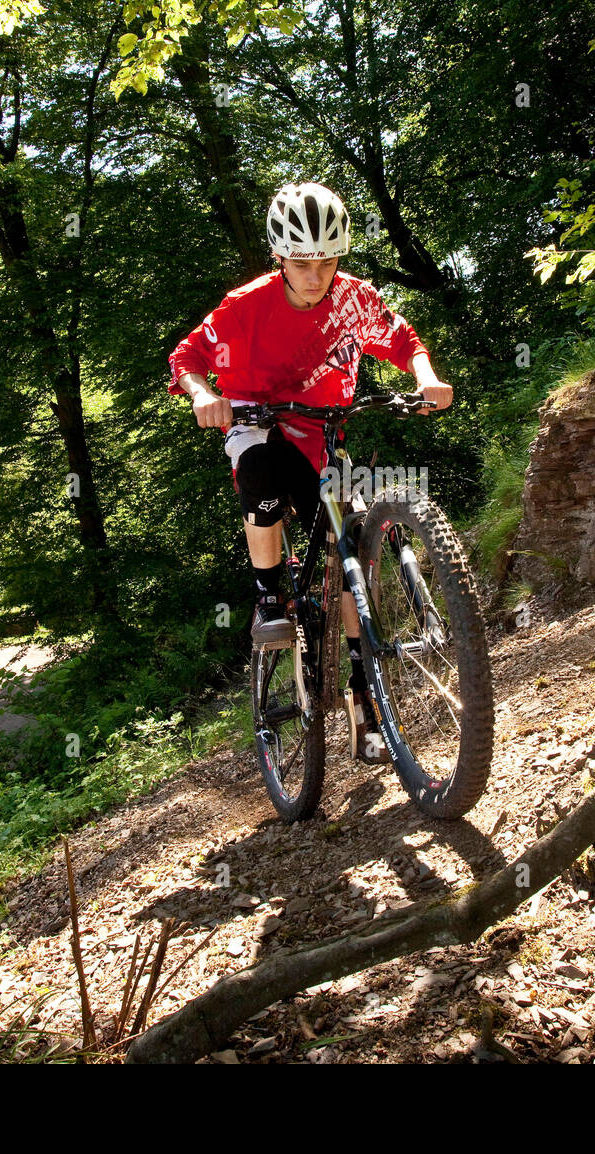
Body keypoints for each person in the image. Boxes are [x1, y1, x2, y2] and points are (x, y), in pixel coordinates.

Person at [169, 182, 453, 765]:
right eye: (302, 261)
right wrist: (202, 396)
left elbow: (400, 337)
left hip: (323, 429)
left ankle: (364, 701)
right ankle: (269, 594)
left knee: (351, 555)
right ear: (279, 256)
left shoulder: (353, 298)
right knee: (258, 465)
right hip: (259, 420)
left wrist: (425, 377)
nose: (315, 272)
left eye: (327, 259)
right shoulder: (244, 306)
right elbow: (188, 358)